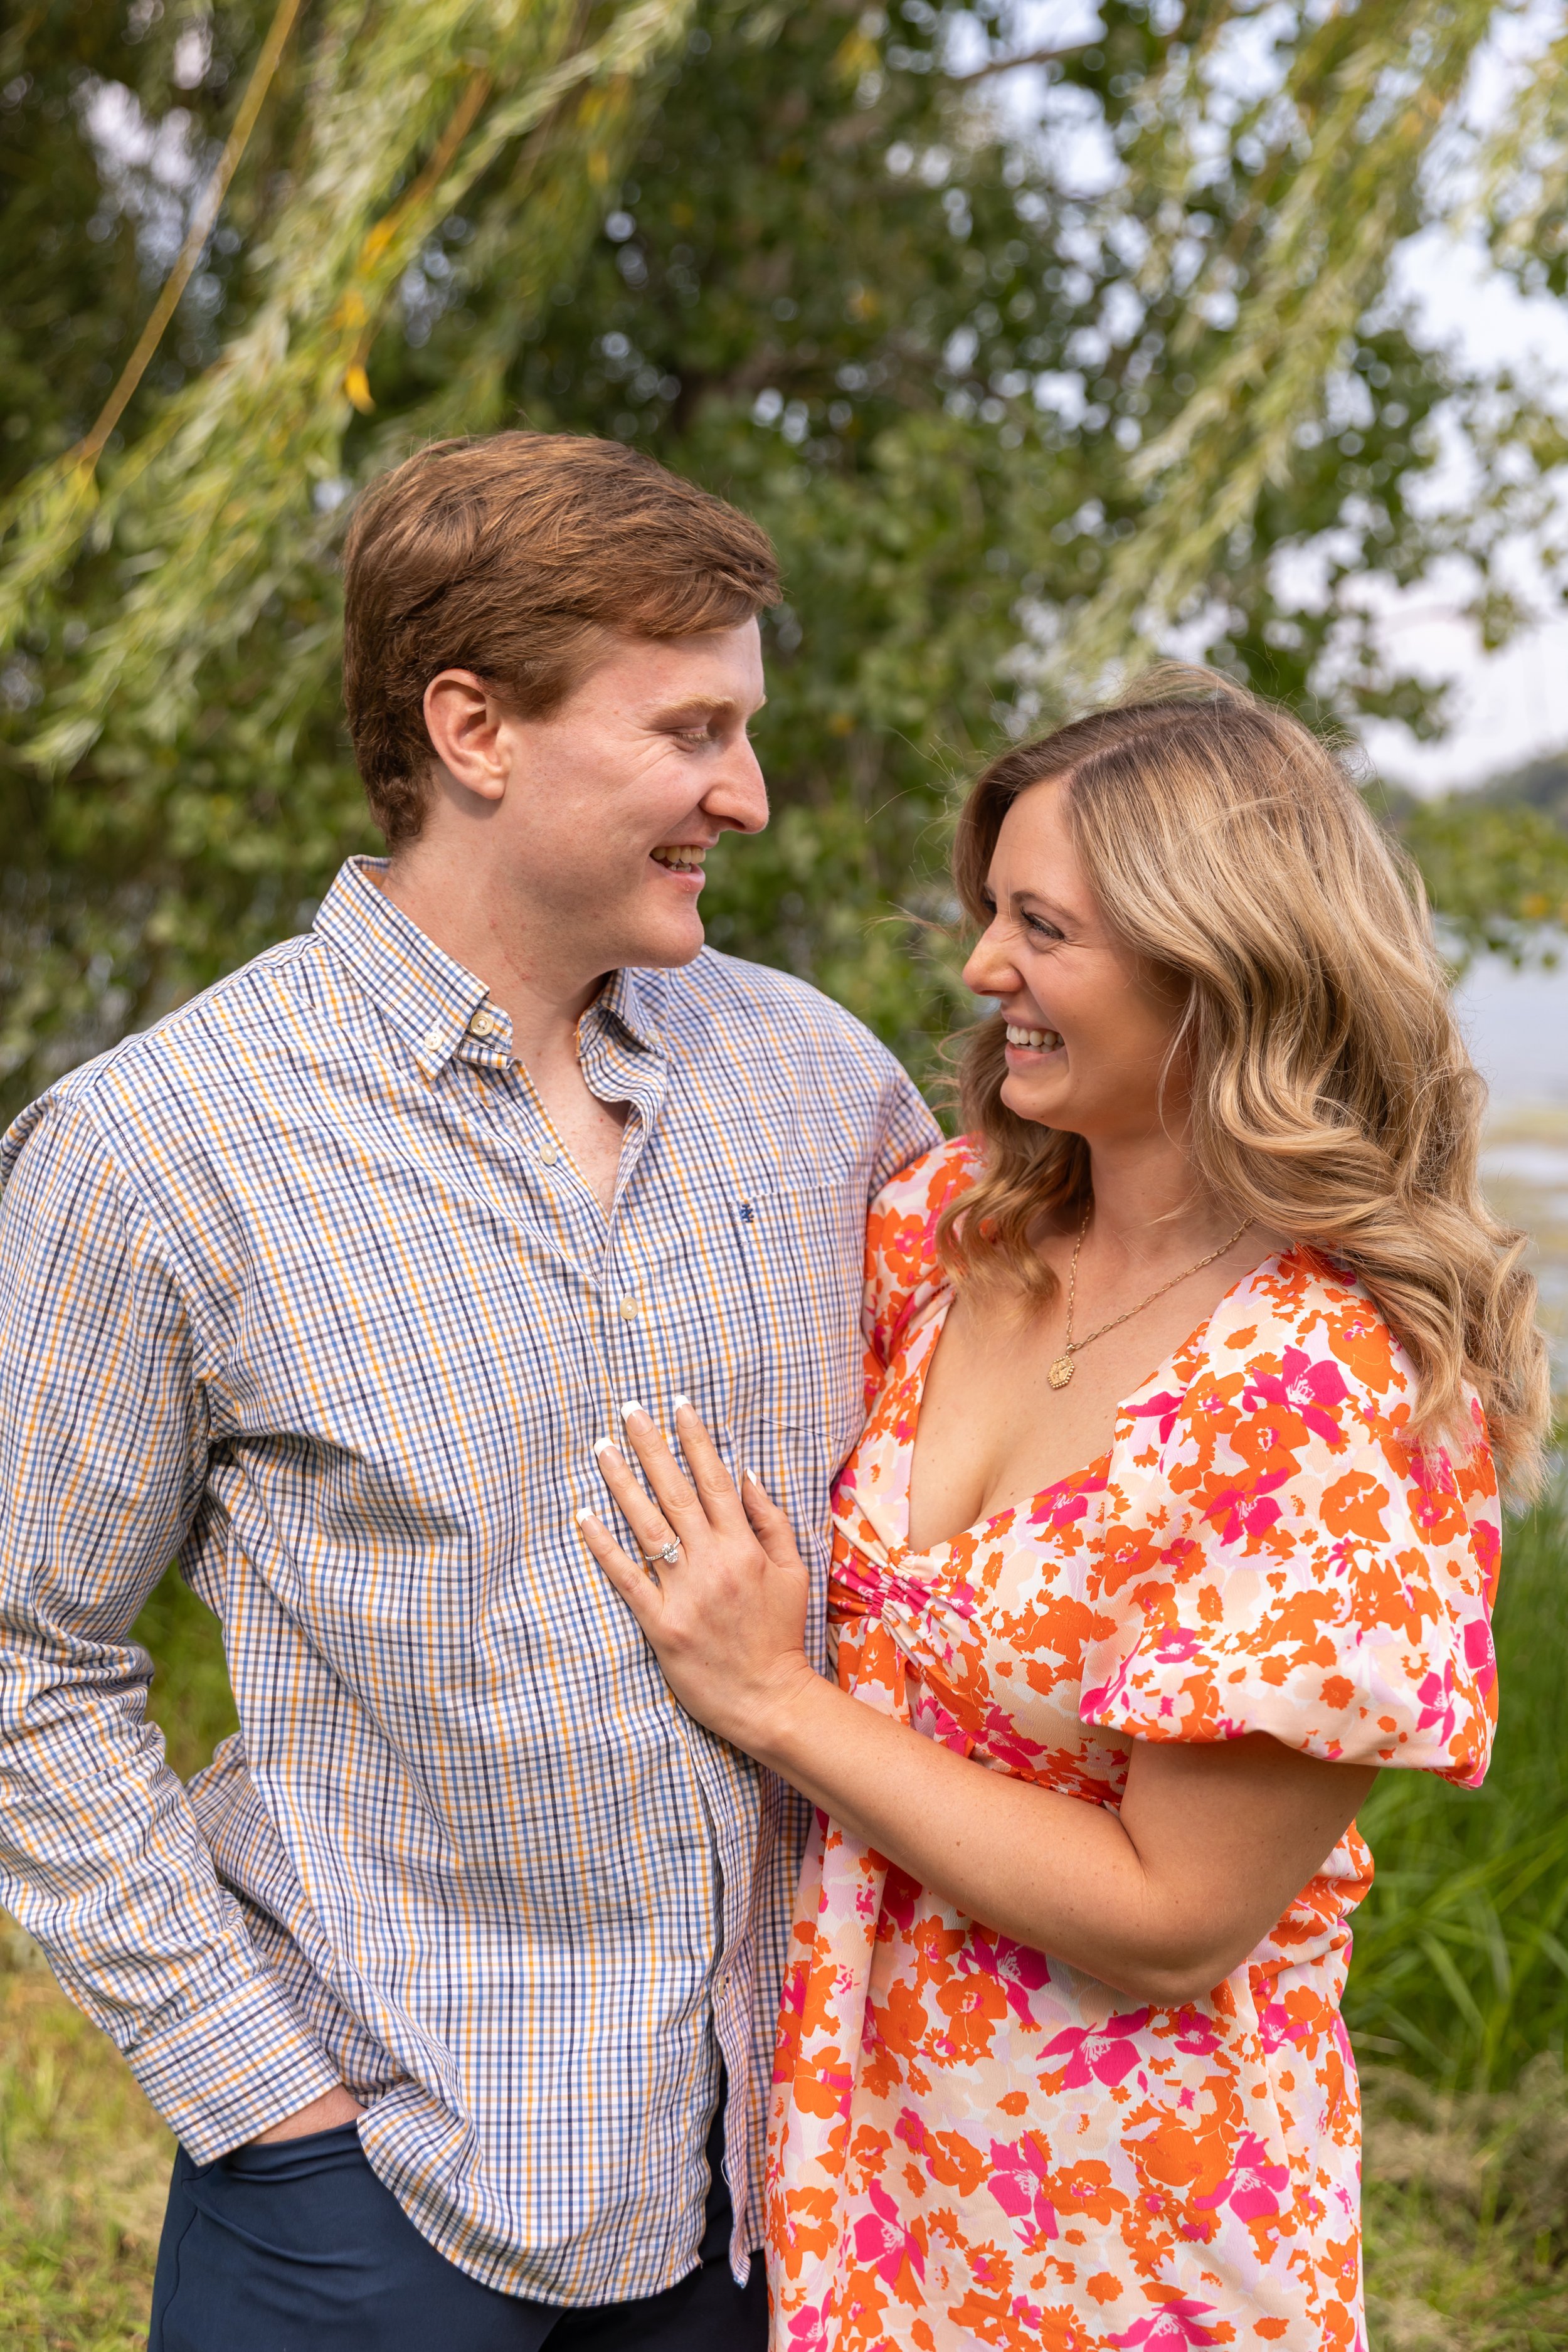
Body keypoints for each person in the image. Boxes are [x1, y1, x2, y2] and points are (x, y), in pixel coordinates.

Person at [0, 432, 939, 2349]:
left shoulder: (823, 1086)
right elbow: (26, 1653)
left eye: (744, 731)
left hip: (777, 2189)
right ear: (472, 728)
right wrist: (266, 2107)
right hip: (372, 2197)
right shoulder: (158, 1148)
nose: (744, 796)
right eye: (690, 730)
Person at [576, 667, 1548, 2351]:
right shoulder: (947, 1233)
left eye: (1041, 927)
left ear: (1216, 963)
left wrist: (768, 1701)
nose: (979, 970)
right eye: (987, 913)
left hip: (1125, 2226)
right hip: (847, 2157)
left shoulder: (1325, 1391)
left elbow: (1175, 1919)